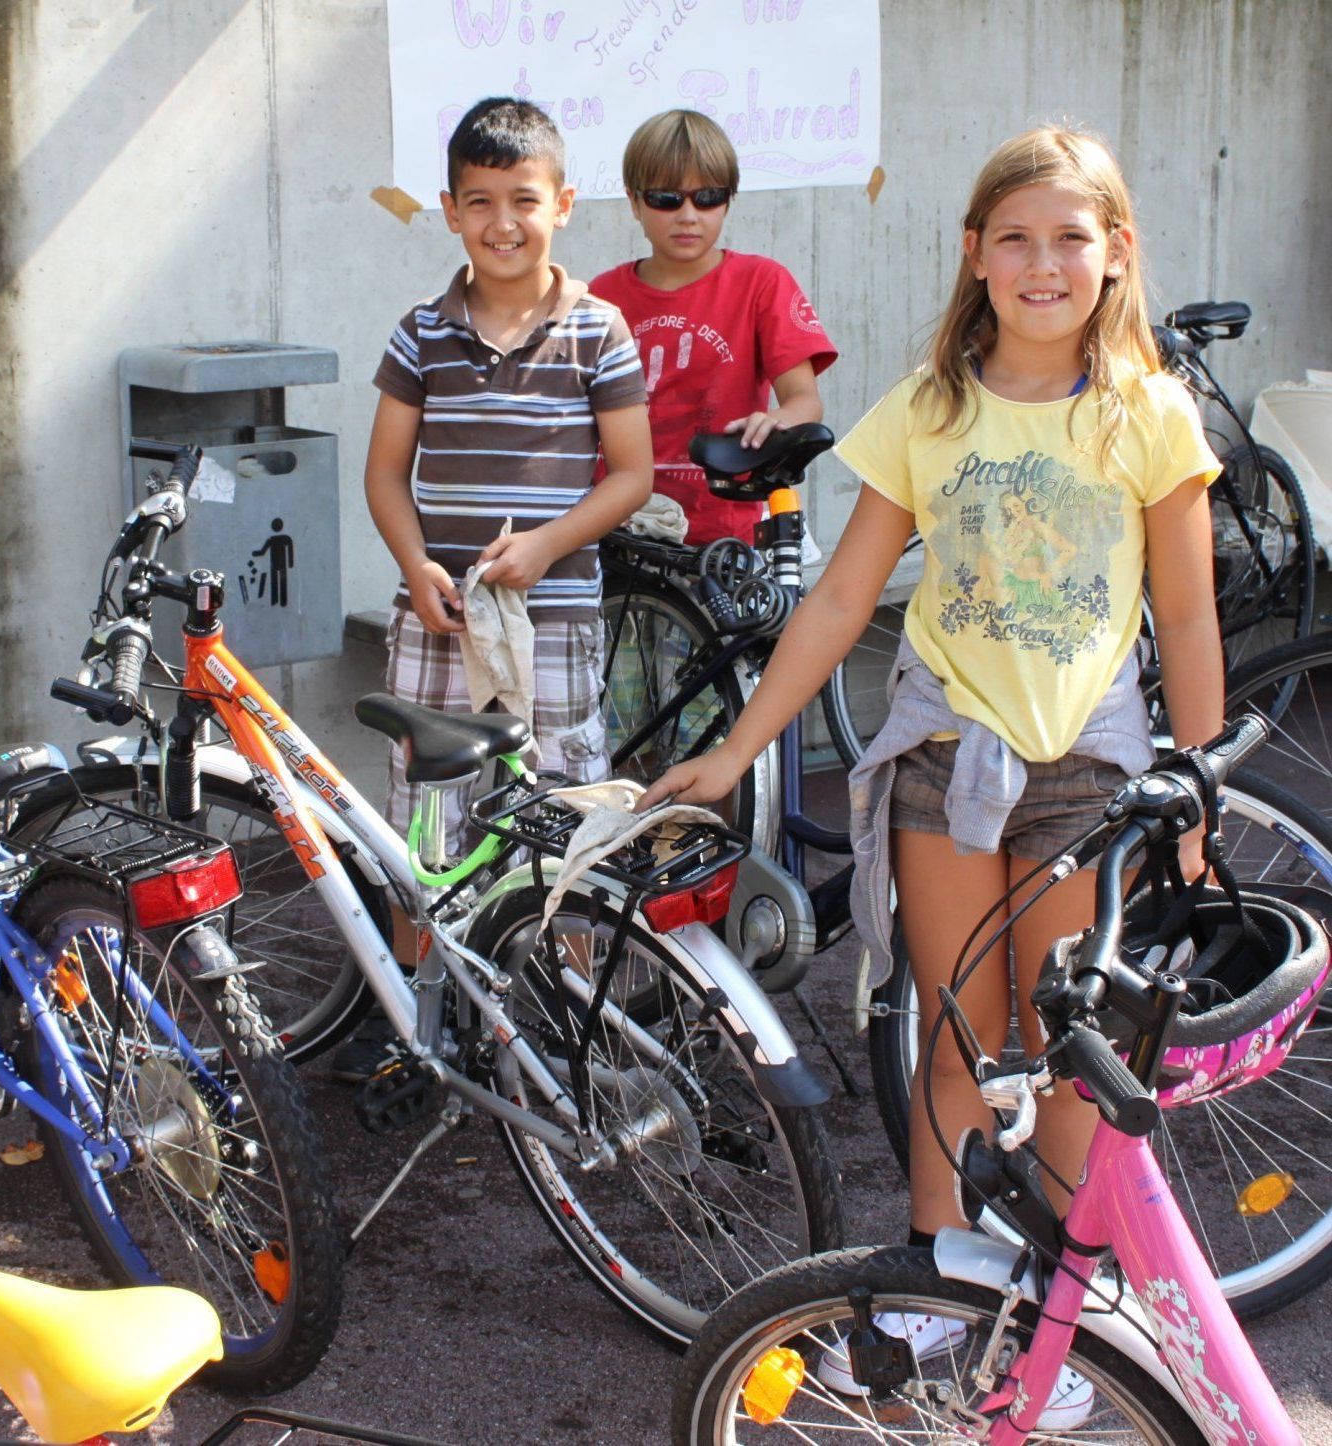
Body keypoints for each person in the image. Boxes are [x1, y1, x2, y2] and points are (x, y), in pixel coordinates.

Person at [639, 125, 1222, 1428]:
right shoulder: (931, 407)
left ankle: (1060, 1315)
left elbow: (1187, 617)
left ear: (1115, 253)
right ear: (973, 253)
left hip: (1092, 771)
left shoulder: (1148, 415)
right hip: (944, 758)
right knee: (955, 1029)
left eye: (1071, 236)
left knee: (1064, 1051)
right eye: (1013, 236)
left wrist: (1196, 776)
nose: (1041, 262)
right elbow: (845, 593)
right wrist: (738, 750)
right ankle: (926, 1288)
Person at [335, 97, 653, 1083]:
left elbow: (630, 474)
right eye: (480, 202)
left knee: (561, 822)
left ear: (561, 203)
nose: (502, 223)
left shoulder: (598, 331)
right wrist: (412, 564)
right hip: (435, 626)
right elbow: (385, 472)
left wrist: (552, 542)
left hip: (550, 626)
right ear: (448, 209)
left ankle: (569, 1021)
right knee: (426, 831)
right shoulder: (421, 333)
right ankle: (422, 1022)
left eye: (523, 200)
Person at [590, 109, 837, 546]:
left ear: (729, 199)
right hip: (618, 527)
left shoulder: (762, 282)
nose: (688, 215)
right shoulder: (601, 296)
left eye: (707, 197)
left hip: (724, 528)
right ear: (633, 201)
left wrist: (776, 420)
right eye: (666, 198)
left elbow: (805, 401)